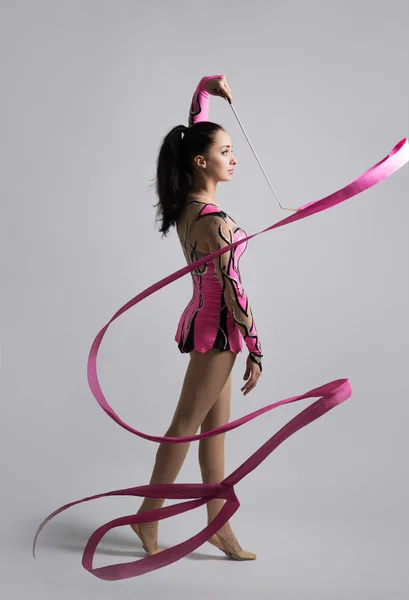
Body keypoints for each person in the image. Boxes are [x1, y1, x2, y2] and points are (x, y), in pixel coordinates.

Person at [130, 74, 263, 560]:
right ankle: (148, 520)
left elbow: (195, 127)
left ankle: (218, 526)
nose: (234, 157)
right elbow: (234, 290)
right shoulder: (213, 221)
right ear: (201, 162)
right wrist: (257, 347)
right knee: (186, 425)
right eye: (226, 151)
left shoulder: (192, 207)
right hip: (220, 332)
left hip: (210, 325)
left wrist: (207, 88)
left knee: (213, 434)